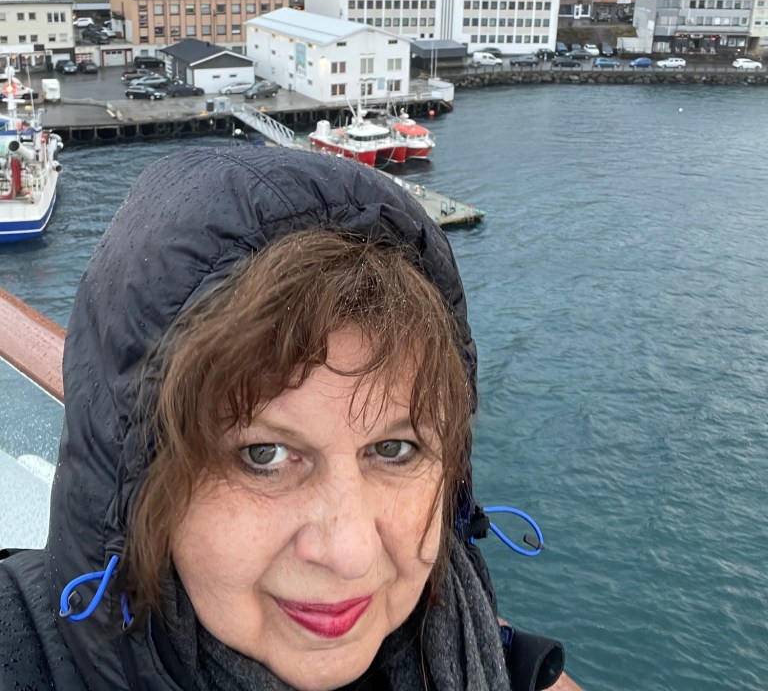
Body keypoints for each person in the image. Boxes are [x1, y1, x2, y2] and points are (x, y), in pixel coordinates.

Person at [0, 146, 564, 690]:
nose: (350, 554)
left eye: (394, 449)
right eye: (263, 455)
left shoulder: (476, 649)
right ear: (136, 478)